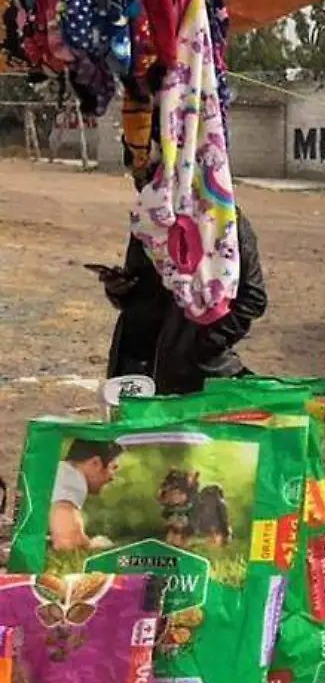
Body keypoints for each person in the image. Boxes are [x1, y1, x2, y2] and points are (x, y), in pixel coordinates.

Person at [99, 210, 268, 395]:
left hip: (193, 377)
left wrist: (201, 344)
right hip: (135, 366)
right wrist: (119, 289)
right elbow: (138, 289)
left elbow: (252, 299)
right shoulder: (148, 216)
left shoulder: (225, 219)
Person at [48, 439, 119, 553]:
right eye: (113, 468)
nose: (112, 477)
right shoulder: (71, 479)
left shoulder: (61, 472)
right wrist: (97, 548)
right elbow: (66, 542)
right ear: (95, 463)